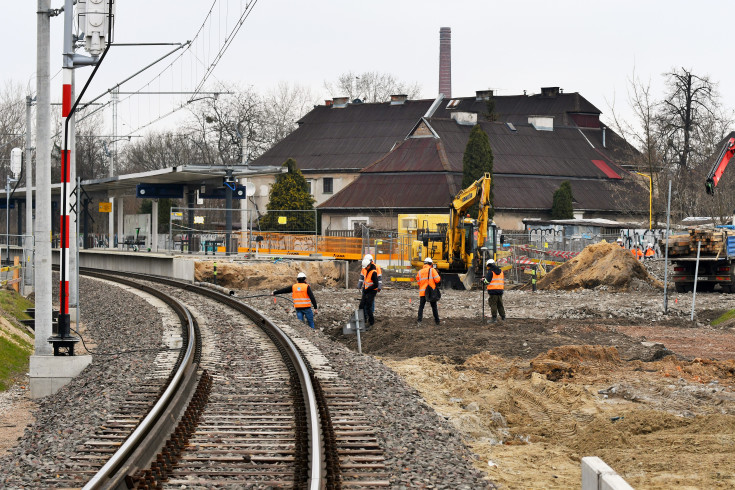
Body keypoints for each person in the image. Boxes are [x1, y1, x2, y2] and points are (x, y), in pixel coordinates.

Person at [416, 257, 441, 325]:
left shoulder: (420, 271)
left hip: (422, 292)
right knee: (434, 307)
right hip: (430, 292)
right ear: (430, 264)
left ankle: (419, 321)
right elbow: (437, 280)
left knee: (421, 307)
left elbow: (418, 282)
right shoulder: (432, 270)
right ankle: (437, 321)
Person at [357, 254, 382, 318]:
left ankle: (370, 313)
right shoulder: (364, 267)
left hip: (372, 288)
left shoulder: (376, 267)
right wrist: (359, 284)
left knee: (370, 301)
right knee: (364, 301)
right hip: (365, 287)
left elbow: (379, 278)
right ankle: (364, 314)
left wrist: (379, 286)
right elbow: (362, 277)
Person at [483, 258, 506, 323]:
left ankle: (494, 318)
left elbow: (487, 281)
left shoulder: (491, 272)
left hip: (493, 291)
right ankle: (503, 317)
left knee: (493, 304)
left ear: (489, 265)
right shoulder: (501, 271)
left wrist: (483, 280)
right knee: (500, 304)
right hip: (500, 290)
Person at [359, 259, 379, 327]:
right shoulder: (367, 270)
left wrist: (367, 289)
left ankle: (371, 322)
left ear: (369, 265)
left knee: (368, 306)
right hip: (366, 290)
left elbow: (376, 284)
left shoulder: (373, 272)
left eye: (366, 267)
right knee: (361, 305)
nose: (365, 268)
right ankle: (363, 320)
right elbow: (366, 281)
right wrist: (364, 289)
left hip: (372, 291)